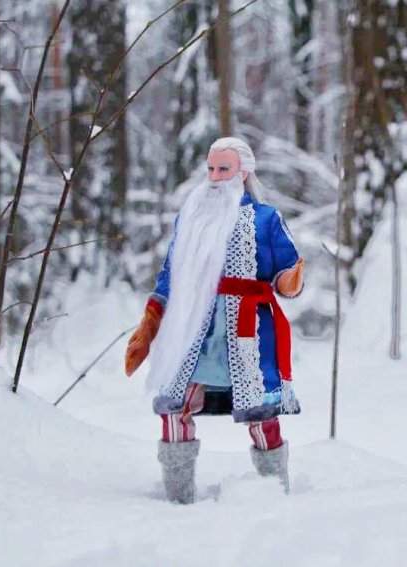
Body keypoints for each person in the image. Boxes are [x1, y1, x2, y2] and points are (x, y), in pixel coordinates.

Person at [124, 137, 304, 504]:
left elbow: (288, 265)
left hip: (247, 331)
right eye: (210, 168)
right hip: (194, 329)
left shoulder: (265, 218)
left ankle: (275, 490)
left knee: (261, 412)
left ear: (243, 172)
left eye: (224, 169)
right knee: (175, 405)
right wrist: (152, 319)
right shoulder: (190, 216)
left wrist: (290, 278)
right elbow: (170, 274)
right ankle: (177, 494)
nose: (215, 177)